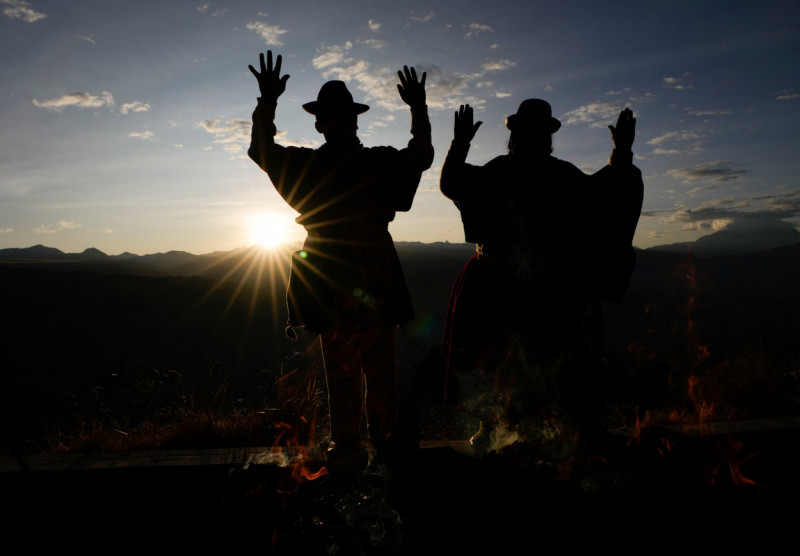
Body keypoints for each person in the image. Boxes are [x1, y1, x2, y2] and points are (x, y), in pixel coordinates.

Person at [247, 51, 433, 465]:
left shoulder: (308, 166)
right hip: (373, 272)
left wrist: (268, 102)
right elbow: (420, 155)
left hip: (330, 272)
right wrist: (418, 110)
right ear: (350, 120)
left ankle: (350, 446)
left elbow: (262, 149)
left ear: (320, 122)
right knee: (375, 362)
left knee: (344, 363)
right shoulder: (378, 161)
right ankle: (379, 442)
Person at [439, 100, 643, 448]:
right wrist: (620, 155)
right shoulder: (557, 174)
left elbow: (453, 183)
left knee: (519, 361)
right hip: (537, 286)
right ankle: (515, 427)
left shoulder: (505, 171)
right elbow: (610, 193)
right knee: (514, 360)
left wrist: (460, 144)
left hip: (522, 286)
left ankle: (522, 428)